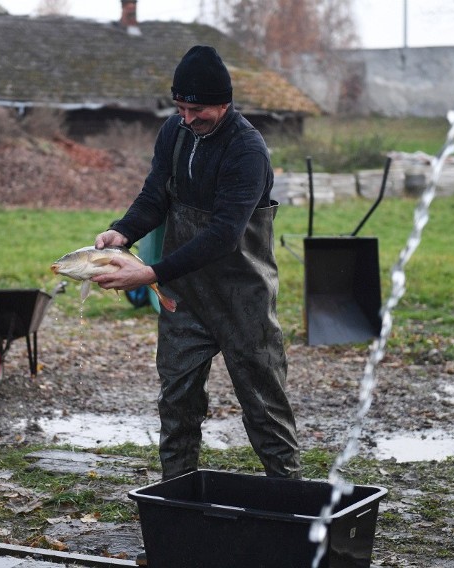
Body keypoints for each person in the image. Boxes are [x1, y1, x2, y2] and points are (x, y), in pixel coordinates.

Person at [92, 45, 301, 481]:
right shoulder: (174, 133)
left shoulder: (247, 151)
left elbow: (224, 236)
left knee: (265, 410)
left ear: (224, 102)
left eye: (197, 109)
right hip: (183, 297)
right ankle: (175, 509)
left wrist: (149, 273)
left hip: (243, 298)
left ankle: (291, 513)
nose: (187, 118)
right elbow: (155, 196)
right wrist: (123, 231)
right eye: (181, 108)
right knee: (177, 405)